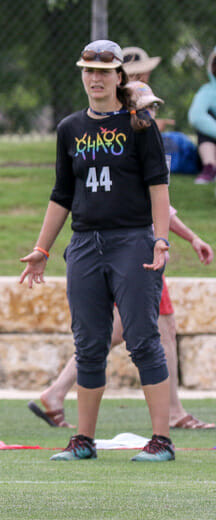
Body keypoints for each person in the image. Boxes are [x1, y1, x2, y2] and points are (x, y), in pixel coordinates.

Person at [28, 81, 215, 431]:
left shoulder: (143, 141)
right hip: (131, 253)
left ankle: (60, 394)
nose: (152, 115)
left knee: (139, 331)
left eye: (155, 109)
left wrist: (184, 238)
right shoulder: (112, 140)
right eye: (146, 108)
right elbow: (66, 193)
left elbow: (161, 203)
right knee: (139, 334)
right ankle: (167, 415)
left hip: (142, 248)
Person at [20, 40, 175, 462]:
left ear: (119, 76)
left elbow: (159, 189)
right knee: (89, 343)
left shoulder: (140, 124)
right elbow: (61, 195)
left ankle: (161, 439)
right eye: (88, 70)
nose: (95, 78)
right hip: (85, 244)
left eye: (104, 71)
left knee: (142, 339)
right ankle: (82, 440)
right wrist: (41, 249)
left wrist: (160, 239)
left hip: (132, 240)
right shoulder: (69, 128)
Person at [121, 47, 175, 132]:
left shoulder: (113, 93)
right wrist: (155, 125)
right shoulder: (140, 91)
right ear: (141, 74)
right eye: (147, 71)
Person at [188, 46, 216, 184]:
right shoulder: (207, 90)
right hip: (211, 146)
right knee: (206, 119)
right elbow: (196, 116)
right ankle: (210, 168)